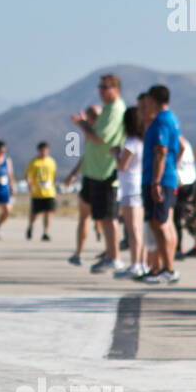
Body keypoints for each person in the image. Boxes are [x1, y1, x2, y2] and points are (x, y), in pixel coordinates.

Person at [70, 74, 126, 273]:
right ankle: (109, 254)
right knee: (101, 216)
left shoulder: (115, 109)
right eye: (100, 87)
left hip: (106, 171)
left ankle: (114, 256)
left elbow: (100, 138)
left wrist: (82, 124)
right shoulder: (108, 110)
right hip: (96, 172)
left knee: (109, 217)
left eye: (105, 87)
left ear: (115, 88)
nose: (101, 91)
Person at [141, 84, 181, 286]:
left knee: (159, 223)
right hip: (168, 177)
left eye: (147, 99)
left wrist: (156, 181)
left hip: (160, 178)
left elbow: (161, 152)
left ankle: (168, 268)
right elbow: (179, 147)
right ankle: (168, 267)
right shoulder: (172, 119)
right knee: (165, 223)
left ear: (153, 99)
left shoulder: (161, 121)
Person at [61, 105, 101, 265]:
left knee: (99, 219)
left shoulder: (93, 134)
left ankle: (81, 252)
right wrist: (73, 173)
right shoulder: (94, 134)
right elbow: (85, 157)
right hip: (94, 178)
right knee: (94, 218)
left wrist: (83, 124)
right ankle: (79, 252)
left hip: (98, 178)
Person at [112, 106, 146, 278]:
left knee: (133, 230)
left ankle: (136, 264)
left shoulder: (131, 142)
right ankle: (142, 263)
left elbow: (123, 165)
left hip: (130, 188)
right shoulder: (142, 141)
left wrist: (116, 154)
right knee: (140, 228)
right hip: (139, 187)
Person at [25, 141, 57, 240]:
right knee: (34, 214)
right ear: (38, 151)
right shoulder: (34, 162)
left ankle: (45, 232)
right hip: (37, 193)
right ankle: (30, 226)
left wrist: (55, 191)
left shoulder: (51, 162)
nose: (43, 152)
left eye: (45, 150)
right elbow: (28, 175)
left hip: (49, 192)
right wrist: (31, 185)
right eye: (41, 150)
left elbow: (53, 177)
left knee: (48, 213)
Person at [173, 133, 196, 258]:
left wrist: (174, 163)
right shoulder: (186, 142)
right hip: (190, 180)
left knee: (176, 216)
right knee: (187, 215)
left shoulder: (178, 140)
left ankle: (178, 248)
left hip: (182, 182)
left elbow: (181, 145)